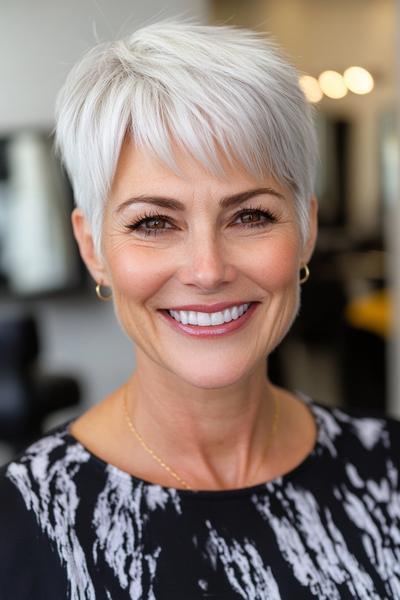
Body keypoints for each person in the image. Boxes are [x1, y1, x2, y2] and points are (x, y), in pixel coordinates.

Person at [0, 20, 399, 600]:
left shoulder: (387, 468)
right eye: (154, 223)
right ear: (94, 250)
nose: (207, 270)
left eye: (251, 216)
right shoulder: (22, 522)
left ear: (306, 229)